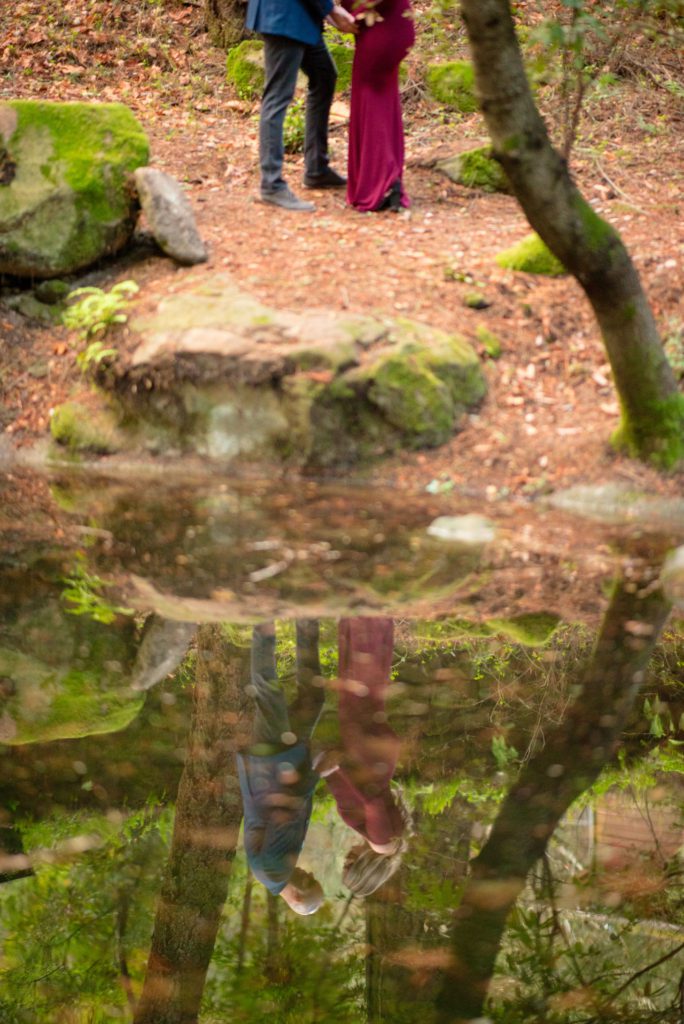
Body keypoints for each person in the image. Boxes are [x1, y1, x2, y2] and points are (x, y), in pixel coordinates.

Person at [237, 620, 325, 914]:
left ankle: (264, 619)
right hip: (285, 765)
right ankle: (306, 622)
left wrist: (319, 774)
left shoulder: (274, 872)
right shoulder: (275, 873)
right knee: (313, 698)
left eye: (310, 881)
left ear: (297, 897)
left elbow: (283, 812)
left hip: (271, 769)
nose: (309, 874)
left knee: (267, 690)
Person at [320, 617, 410, 896]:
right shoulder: (381, 841)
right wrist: (339, 766)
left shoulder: (387, 842)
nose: (346, 856)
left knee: (366, 690)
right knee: (360, 688)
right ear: (364, 868)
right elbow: (371, 798)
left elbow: (358, 798)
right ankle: (366, 616)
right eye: (349, 863)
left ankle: (373, 618)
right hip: (366, 756)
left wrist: (330, 772)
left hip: (372, 755)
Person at [246, 0, 357, 212]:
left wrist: (325, 9)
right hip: (283, 15)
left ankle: (316, 167)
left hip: (301, 14)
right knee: (277, 97)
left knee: (325, 77)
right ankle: (271, 184)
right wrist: (330, 8)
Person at [344, 0, 415, 212]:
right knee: (379, 99)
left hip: (383, 27)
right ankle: (387, 179)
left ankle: (383, 183)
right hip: (382, 26)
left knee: (372, 100)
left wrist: (352, 14)